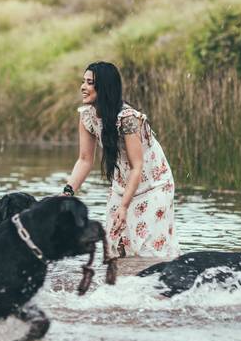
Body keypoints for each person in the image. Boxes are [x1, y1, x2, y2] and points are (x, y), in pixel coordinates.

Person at [64, 61, 178, 260]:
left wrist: (124, 207)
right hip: (122, 185)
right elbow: (84, 160)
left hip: (153, 186)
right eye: (83, 82)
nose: (83, 87)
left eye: (89, 83)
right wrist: (67, 193)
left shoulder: (127, 118)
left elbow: (137, 166)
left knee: (148, 252)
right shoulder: (87, 117)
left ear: (105, 87)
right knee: (115, 249)